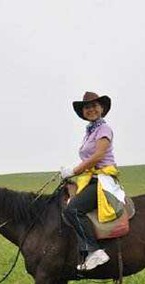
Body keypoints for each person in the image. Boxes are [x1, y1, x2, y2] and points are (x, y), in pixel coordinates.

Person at [60, 91, 125, 271]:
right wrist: (74, 173)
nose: (91, 110)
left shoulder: (104, 129)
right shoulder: (90, 131)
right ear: (83, 112)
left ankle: (94, 251)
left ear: (101, 108)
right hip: (91, 178)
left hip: (102, 180)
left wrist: (74, 170)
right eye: (87, 107)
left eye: (94, 106)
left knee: (72, 210)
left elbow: (98, 156)